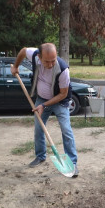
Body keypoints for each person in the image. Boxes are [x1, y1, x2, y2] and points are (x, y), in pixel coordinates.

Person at [11, 43, 78, 177]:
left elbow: (63, 94)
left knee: (66, 130)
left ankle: (72, 163)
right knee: (38, 128)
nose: (51, 64)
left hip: (60, 102)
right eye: (47, 61)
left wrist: (45, 105)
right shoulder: (34, 55)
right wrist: (16, 66)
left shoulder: (63, 70)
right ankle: (40, 156)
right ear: (40, 57)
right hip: (41, 99)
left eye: (53, 60)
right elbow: (23, 50)